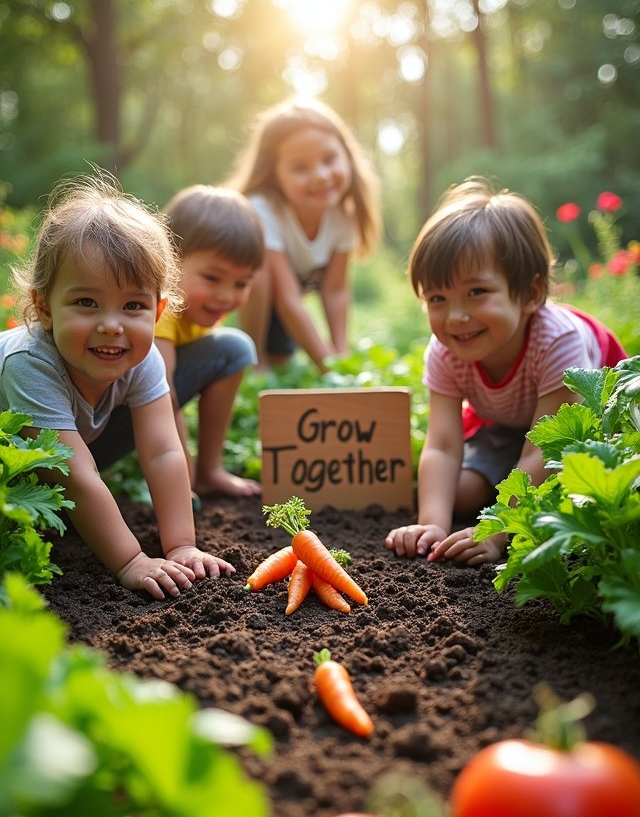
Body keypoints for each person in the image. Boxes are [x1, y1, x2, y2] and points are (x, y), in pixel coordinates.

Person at [0, 171, 236, 599]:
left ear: (157, 311)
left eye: (132, 305)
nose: (112, 325)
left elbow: (163, 452)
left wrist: (182, 545)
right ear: (44, 306)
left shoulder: (140, 357)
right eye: (86, 302)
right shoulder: (29, 363)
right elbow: (76, 475)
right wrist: (131, 560)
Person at [385, 177, 627, 566]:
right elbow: (443, 444)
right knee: (460, 495)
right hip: (508, 425)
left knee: (580, 499)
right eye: (438, 298)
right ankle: (502, 490)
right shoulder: (446, 349)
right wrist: (431, 523)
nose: (456, 316)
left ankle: (519, 507)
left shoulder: (557, 340)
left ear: (531, 294)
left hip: (582, 434)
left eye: (476, 292)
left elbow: (546, 449)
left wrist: (497, 531)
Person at [226, 96, 381, 373]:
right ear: (275, 175)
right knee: (259, 271)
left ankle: (274, 358)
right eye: (300, 168)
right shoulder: (262, 209)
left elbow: (335, 290)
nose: (320, 175)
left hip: (288, 304)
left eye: (329, 159)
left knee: (284, 364)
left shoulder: (341, 215)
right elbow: (287, 300)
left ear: (347, 155)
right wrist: (326, 367)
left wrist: (340, 357)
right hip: (255, 303)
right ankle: (254, 362)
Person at [155, 184, 263, 498]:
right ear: (169, 261)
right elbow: (163, 395)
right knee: (233, 349)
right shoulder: (160, 309)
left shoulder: (202, 308)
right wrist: (181, 477)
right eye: (212, 278)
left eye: (241, 283)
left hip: (137, 413)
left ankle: (210, 470)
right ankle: (195, 476)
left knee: (233, 350)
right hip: (91, 427)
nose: (227, 296)